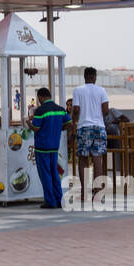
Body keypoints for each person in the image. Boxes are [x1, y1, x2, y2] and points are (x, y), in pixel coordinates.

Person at [71, 67, 110, 203]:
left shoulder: (78, 90)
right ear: (94, 77)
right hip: (99, 127)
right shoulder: (102, 90)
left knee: (83, 160)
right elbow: (106, 110)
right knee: (97, 159)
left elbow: (76, 109)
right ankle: (98, 192)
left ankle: (83, 192)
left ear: (84, 76)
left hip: (84, 127)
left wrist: (73, 124)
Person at [28, 88, 69, 208]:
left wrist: (29, 124)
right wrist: (59, 129)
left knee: (45, 174)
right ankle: (59, 199)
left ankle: (50, 201)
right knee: (55, 173)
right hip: (54, 147)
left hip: (42, 147)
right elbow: (69, 123)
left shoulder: (40, 110)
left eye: (38, 98)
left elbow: (36, 128)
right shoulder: (60, 109)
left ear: (40, 97)